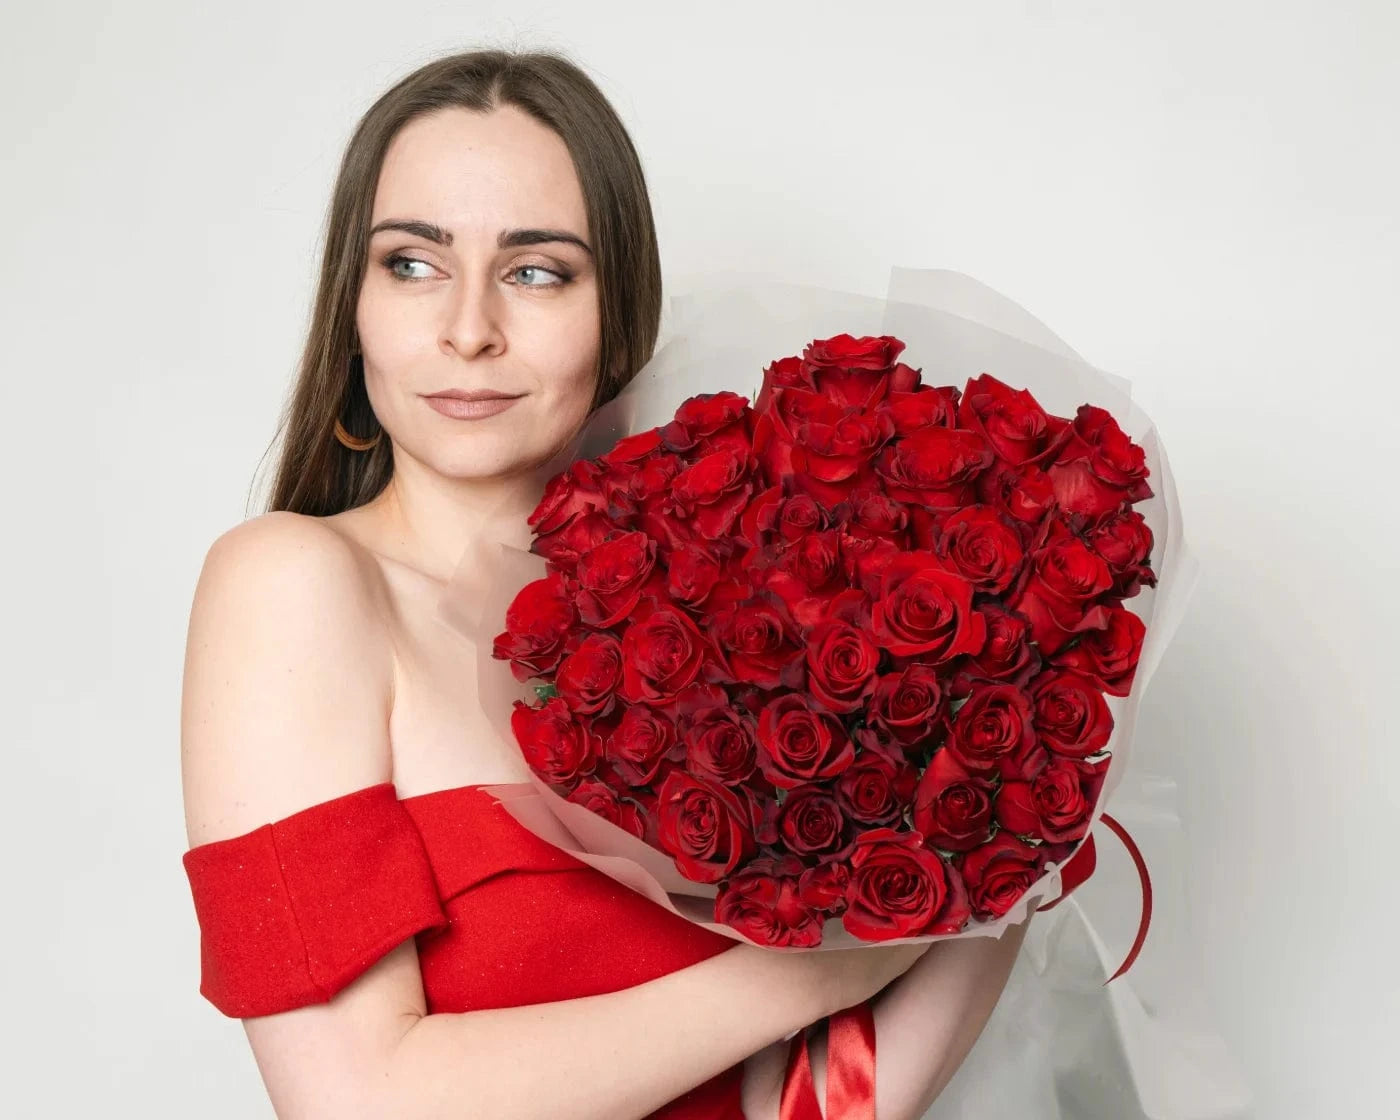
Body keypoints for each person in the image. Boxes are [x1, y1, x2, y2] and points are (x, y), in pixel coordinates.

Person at [179, 48, 1034, 1120]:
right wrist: (804, 973)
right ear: (351, 308)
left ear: (616, 315)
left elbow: (812, 1109)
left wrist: (1009, 829)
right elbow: (355, 1102)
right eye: (411, 262)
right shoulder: (292, 583)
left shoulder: (723, 632)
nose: (469, 327)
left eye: (536, 270)